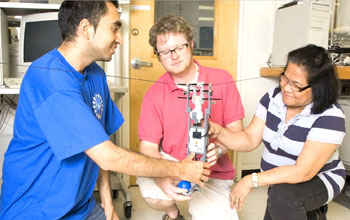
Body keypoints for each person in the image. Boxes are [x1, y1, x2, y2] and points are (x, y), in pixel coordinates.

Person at [0, 1, 211, 219]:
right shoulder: (49, 79)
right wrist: (179, 169)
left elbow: (102, 146)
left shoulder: (96, 75)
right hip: (35, 211)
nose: (119, 38)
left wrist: (107, 203)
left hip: (81, 207)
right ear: (86, 28)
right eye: (114, 28)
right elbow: (109, 157)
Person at [208, 44, 346, 220]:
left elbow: (303, 172)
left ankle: (313, 210)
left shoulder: (331, 115)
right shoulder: (273, 98)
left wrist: (250, 180)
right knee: (281, 199)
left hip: (320, 180)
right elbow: (249, 139)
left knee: (283, 198)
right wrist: (218, 131)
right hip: (280, 183)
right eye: (285, 78)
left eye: (296, 85)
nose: (286, 88)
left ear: (318, 87)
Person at [137, 14, 244, 220]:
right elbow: (148, 148)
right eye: (166, 52)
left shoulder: (222, 80)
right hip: (172, 163)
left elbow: (237, 133)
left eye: (180, 47)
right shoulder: (154, 94)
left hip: (211, 171)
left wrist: (219, 149)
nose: (174, 56)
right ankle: (173, 213)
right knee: (154, 194)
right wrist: (162, 179)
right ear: (158, 56)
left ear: (191, 44)